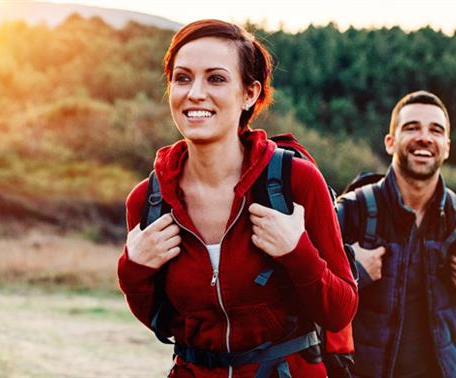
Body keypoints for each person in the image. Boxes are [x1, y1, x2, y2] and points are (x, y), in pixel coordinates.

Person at [117, 19, 357, 377]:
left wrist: (298, 252)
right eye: (182, 78)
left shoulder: (296, 183)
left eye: (216, 78)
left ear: (250, 94)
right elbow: (162, 322)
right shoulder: (148, 200)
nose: (195, 93)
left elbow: (340, 311)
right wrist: (132, 269)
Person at [336, 91, 456, 378]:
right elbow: (311, 297)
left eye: (435, 130)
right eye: (411, 128)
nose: (424, 137)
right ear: (390, 141)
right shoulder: (351, 211)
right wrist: (356, 271)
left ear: (446, 147)